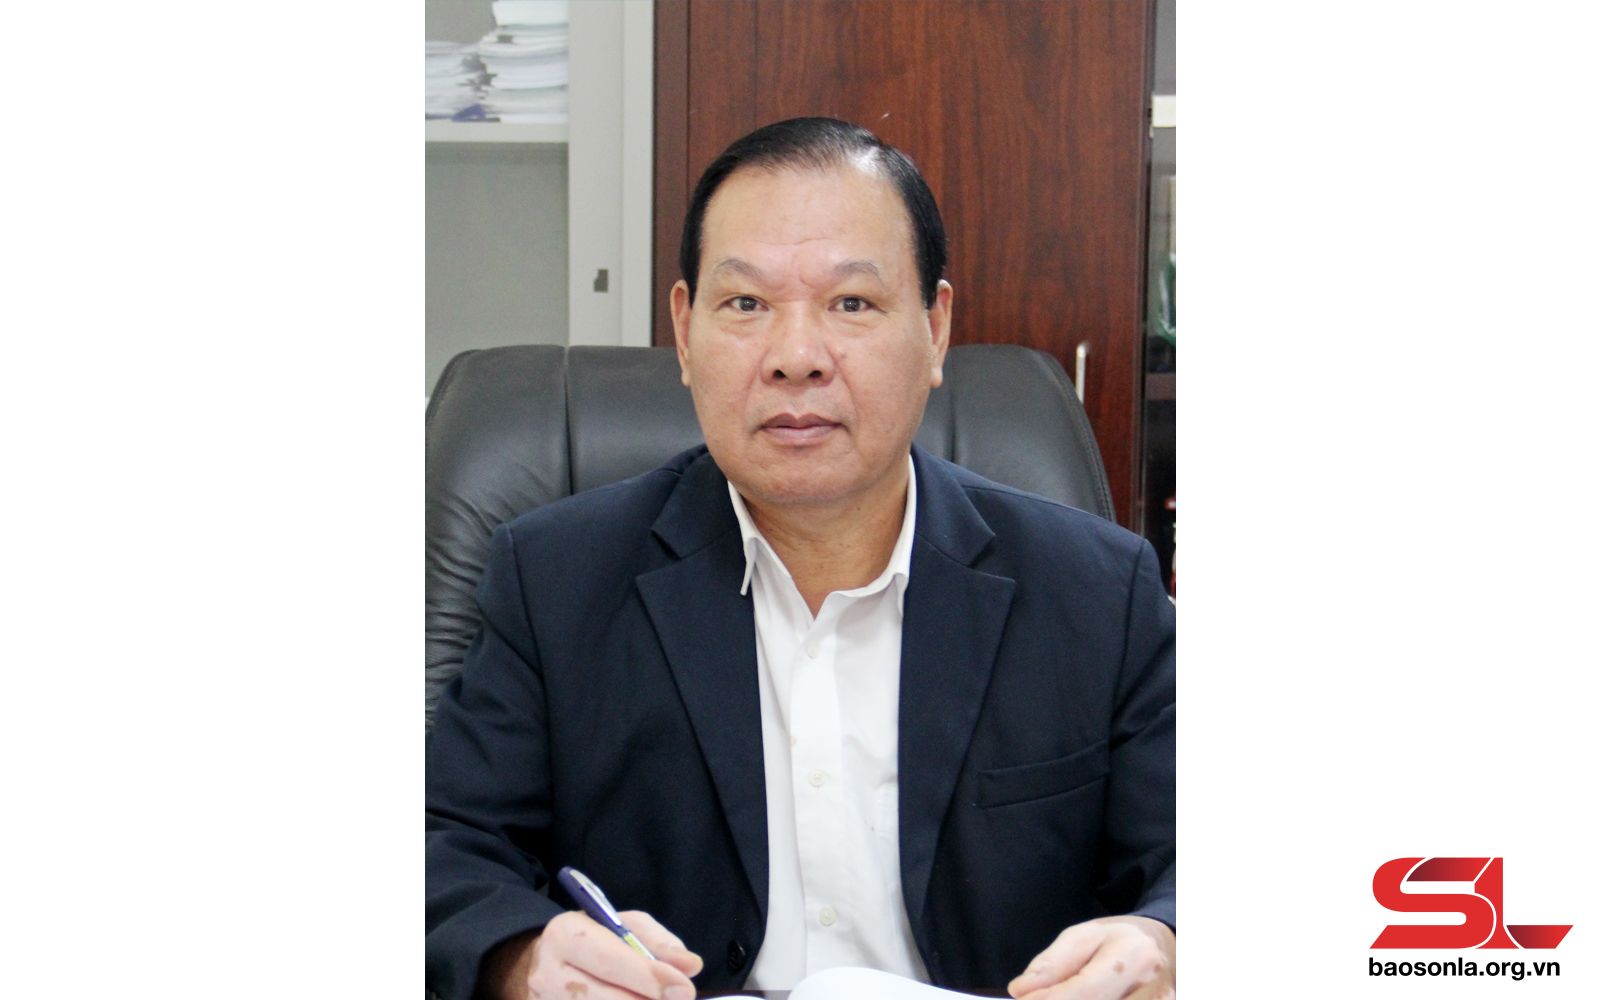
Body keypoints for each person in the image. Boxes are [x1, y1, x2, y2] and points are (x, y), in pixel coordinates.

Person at [426, 117, 1176, 1000]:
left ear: (935, 329)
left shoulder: (1097, 593)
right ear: (685, 331)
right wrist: (521, 954)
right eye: (746, 305)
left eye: (851, 304)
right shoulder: (556, 580)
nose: (795, 359)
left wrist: (1165, 941)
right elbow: (444, 849)